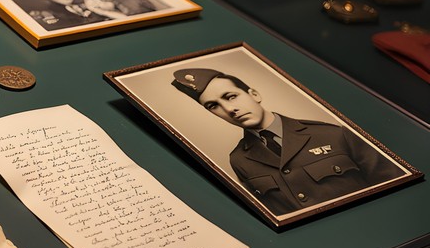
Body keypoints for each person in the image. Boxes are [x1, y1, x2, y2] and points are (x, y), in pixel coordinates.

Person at [171, 67, 401, 215]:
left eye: (231, 96)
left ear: (254, 95)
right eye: (213, 106)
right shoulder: (239, 159)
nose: (229, 109)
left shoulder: (332, 134)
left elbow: (395, 185)